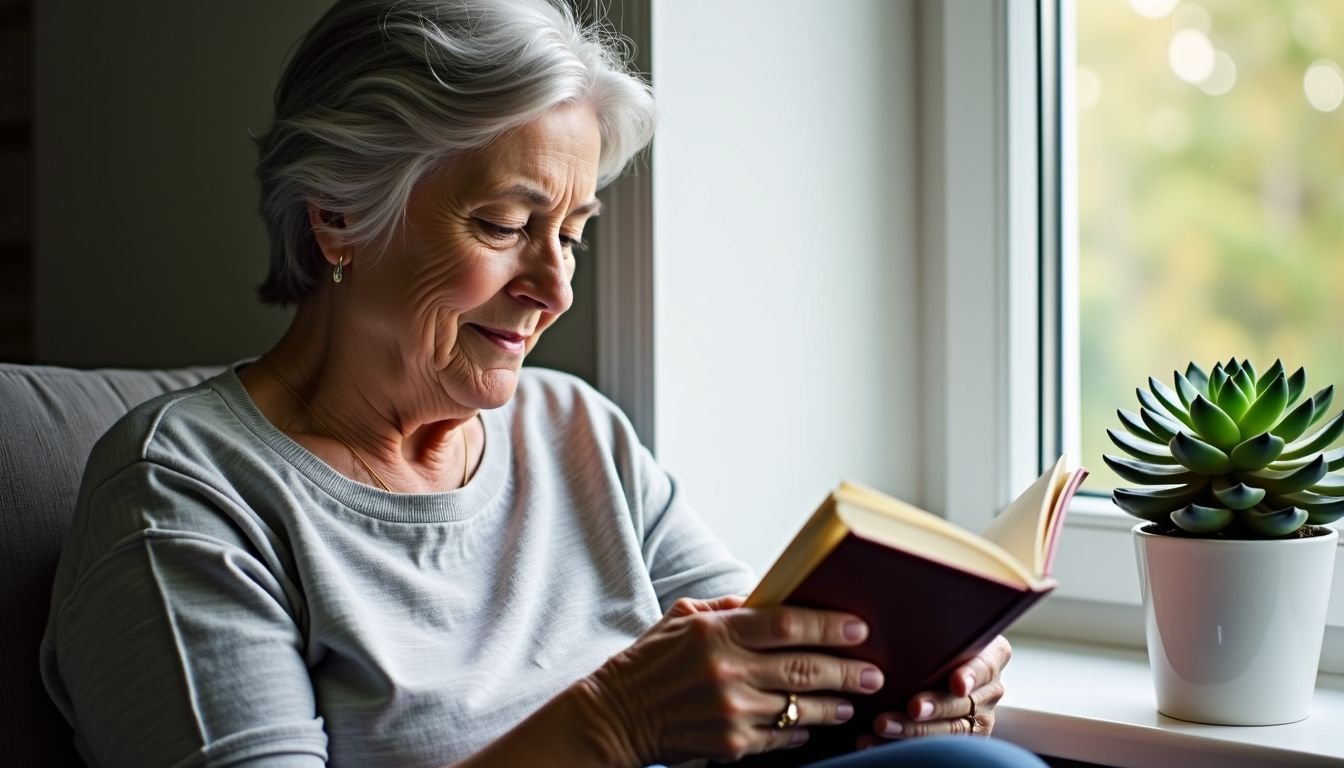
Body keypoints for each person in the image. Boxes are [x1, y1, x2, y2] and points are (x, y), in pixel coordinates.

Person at [39, 2, 1044, 766]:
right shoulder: (183, 492)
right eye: (505, 226)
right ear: (339, 215)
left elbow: (750, 679)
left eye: (572, 233)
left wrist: (883, 686)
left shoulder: (575, 430)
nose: (554, 287)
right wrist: (614, 721)